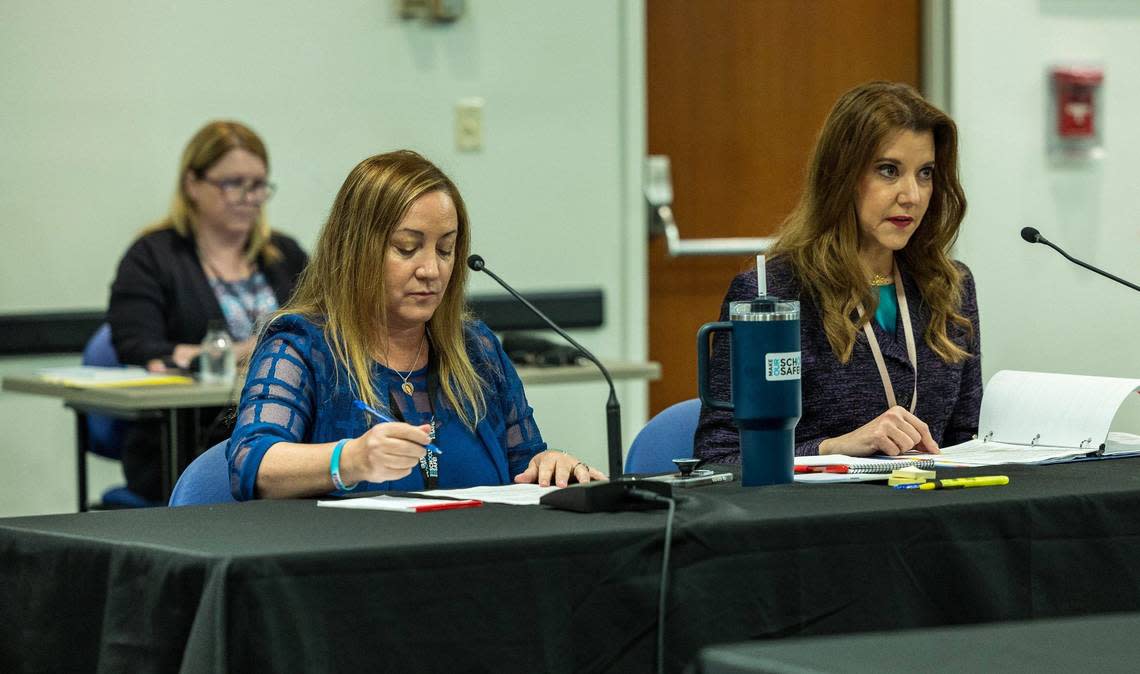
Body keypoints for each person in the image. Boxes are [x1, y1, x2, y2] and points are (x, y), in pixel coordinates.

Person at [226, 150, 606, 499]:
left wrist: (551, 466)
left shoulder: (477, 350)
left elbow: (524, 464)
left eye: (445, 250)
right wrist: (350, 459)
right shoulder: (301, 347)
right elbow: (252, 463)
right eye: (407, 248)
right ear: (356, 249)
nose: (431, 270)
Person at [695, 81, 982, 462]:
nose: (912, 195)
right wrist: (834, 449)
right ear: (842, 176)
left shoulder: (950, 287)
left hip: (927, 511)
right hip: (817, 516)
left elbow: (967, 441)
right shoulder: (774, 296)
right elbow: (720, 457)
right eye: (888, 170)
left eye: (925, 173)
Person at [107, 120, 308, 501]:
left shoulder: (286, 254)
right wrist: (256, 348)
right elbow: (138, 346)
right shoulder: (152, 257)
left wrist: (214, 353)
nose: (249, 197)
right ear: (192, 185)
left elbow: (324, 324)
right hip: (183, 442)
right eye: (233, 184)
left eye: (259, 185)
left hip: (288, 432)